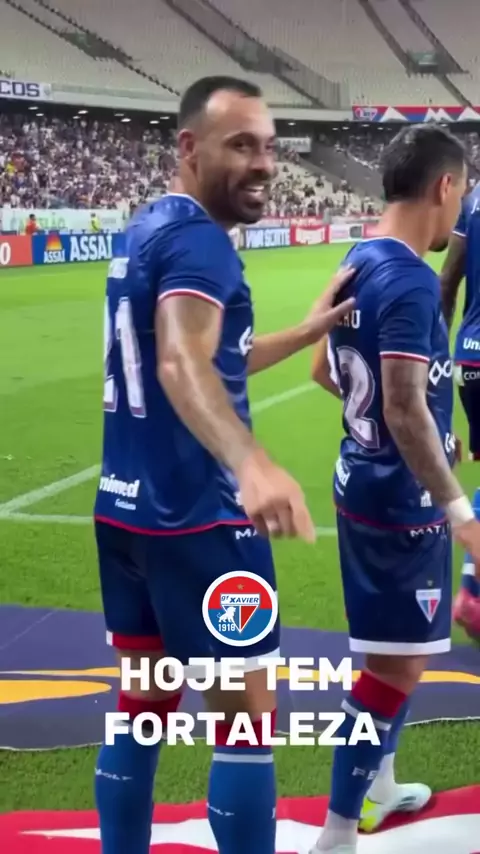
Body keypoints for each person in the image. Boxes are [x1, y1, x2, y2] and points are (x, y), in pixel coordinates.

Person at [93, 75, 354, 854]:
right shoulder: (202, 242)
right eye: (241, 145)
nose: (264, 163)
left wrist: (307, 332)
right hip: (203, 522)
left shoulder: (147, 229)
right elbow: (182, 361)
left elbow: (216, 356)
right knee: (245, 725)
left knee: (141, 711)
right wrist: (251, 462)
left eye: (268, 146)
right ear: (189, 147)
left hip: (125, 514)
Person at [309, 125, 480, 854]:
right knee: (393, 669)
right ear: (444, 186)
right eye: (463, 192)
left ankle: (379, 783)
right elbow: (404, 407)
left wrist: (417, 430)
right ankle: (338, 833)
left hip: (363, 484)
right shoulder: (409, 277)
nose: (462, 207)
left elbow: (325, 371)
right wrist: (460, 511)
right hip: (399, 505)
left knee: (396, 655)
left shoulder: (360, 258)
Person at [440, 181, 480, 636]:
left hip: (470, 357)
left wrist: (436, 356)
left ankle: (472, 591)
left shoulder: (472, 199)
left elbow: (448, 279)